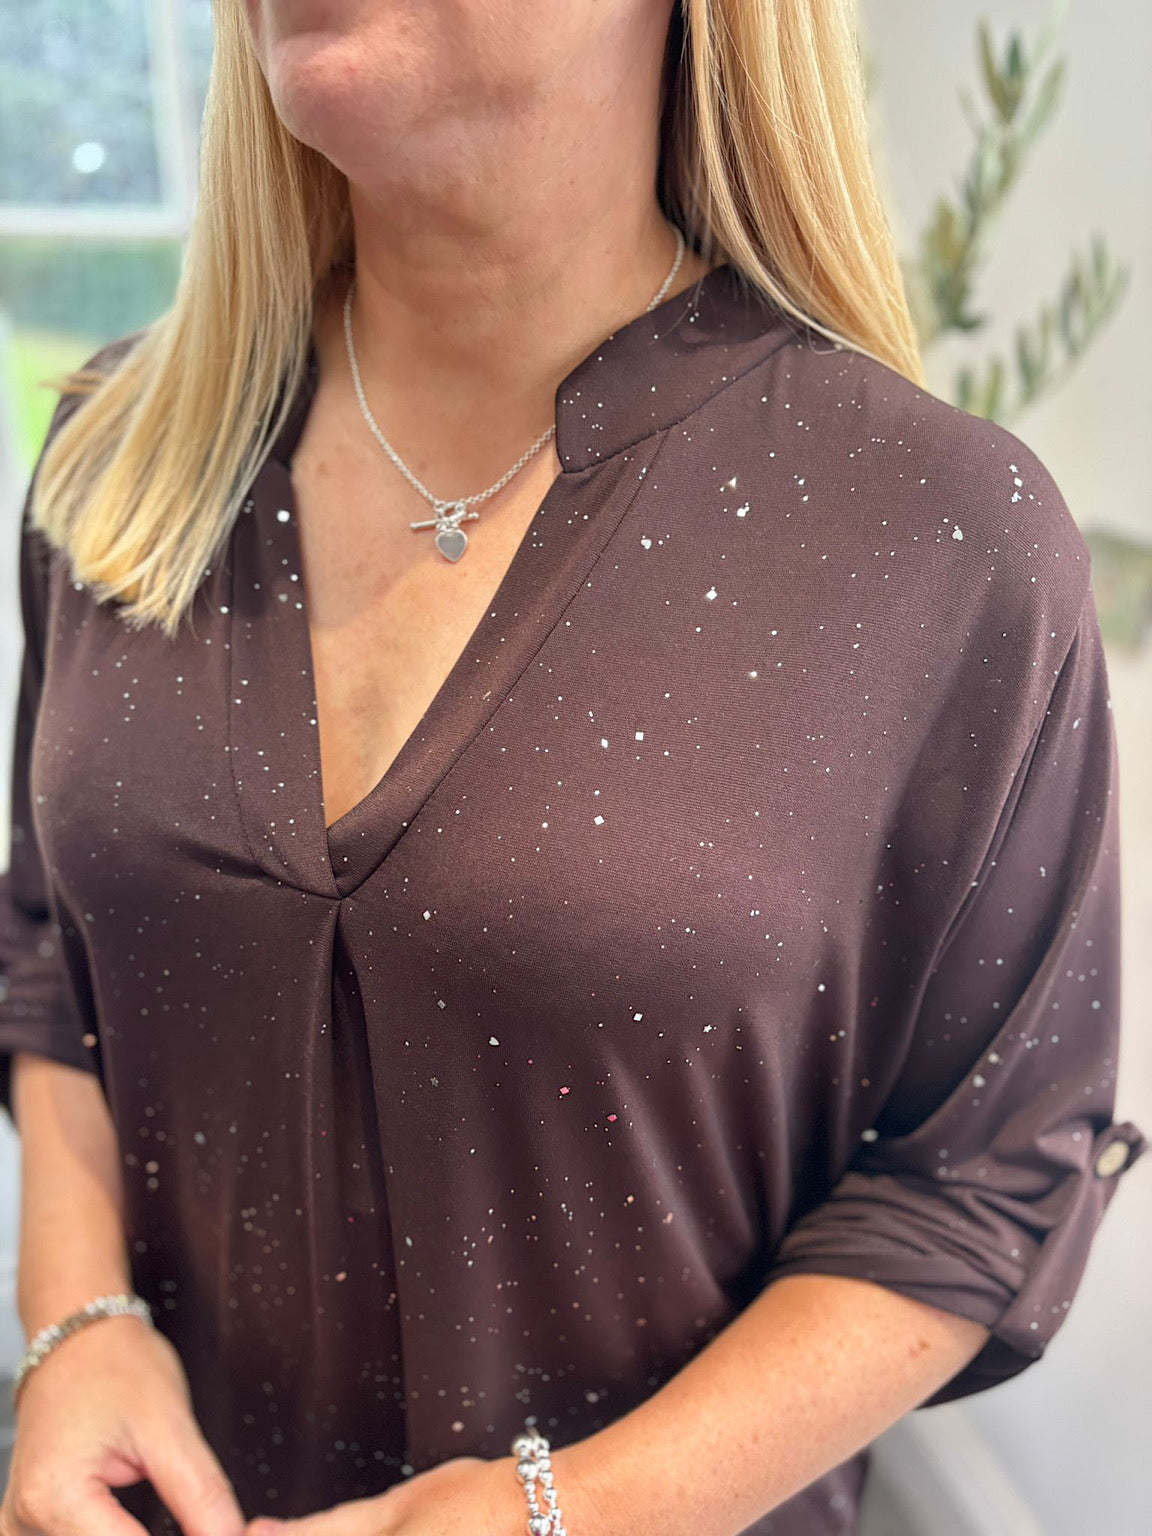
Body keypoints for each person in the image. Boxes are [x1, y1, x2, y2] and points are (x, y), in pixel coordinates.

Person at [0, 2, 1146, 1534]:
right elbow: (51, 956)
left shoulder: (942, 536)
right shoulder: (120, 457)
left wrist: (573, 1512)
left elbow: (977, 1170)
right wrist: (78, 1327)